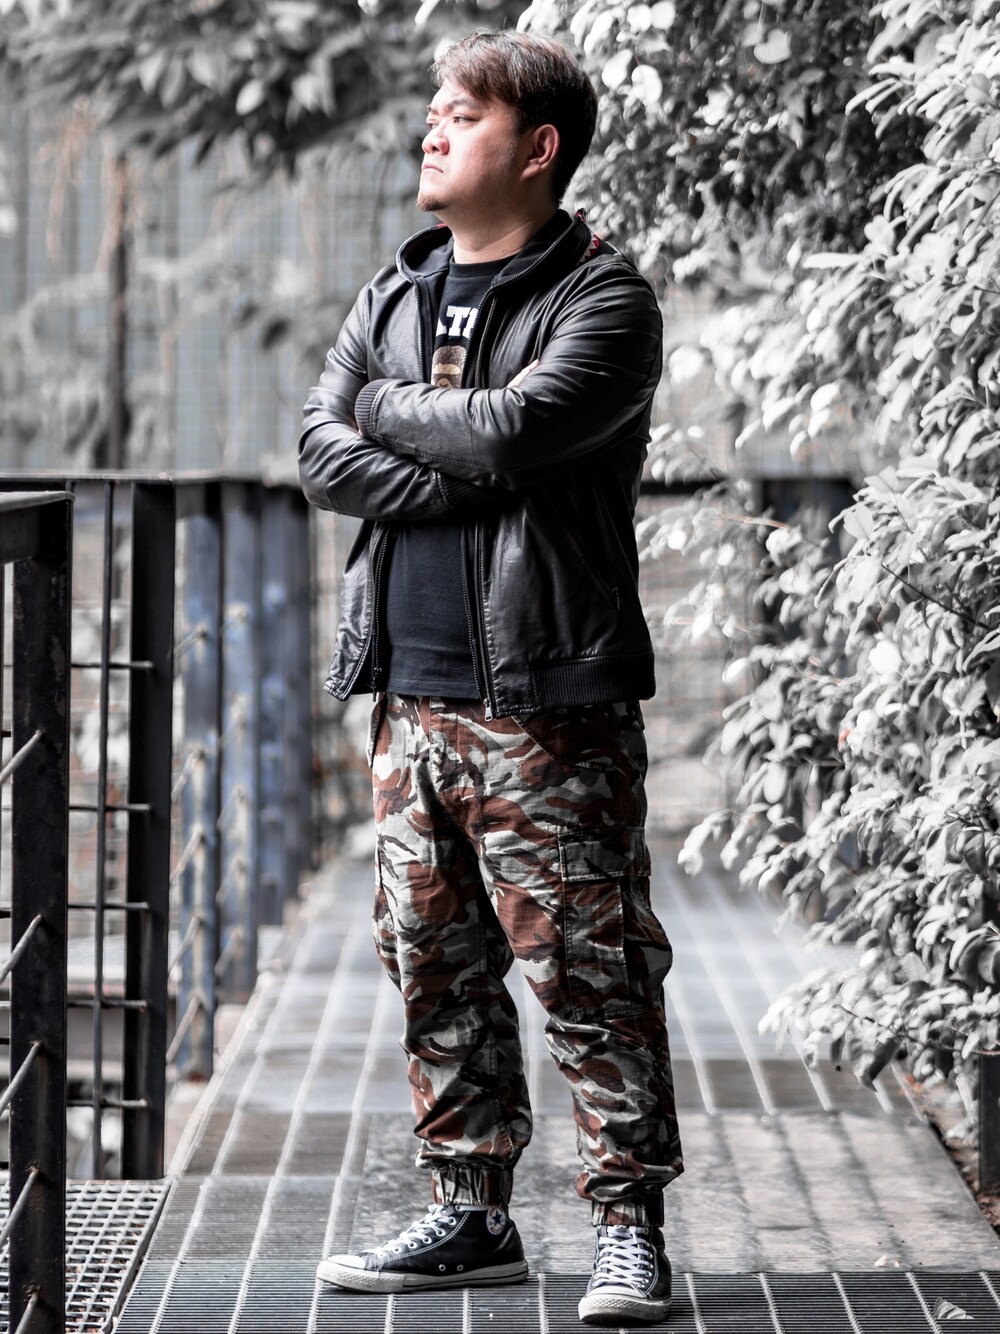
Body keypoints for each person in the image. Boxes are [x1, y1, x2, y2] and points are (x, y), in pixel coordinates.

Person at [298, 29, 682, 1327]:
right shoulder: (393, 293)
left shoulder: (603, 297)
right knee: (435, 966)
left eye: (463, 113)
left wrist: (388, 414)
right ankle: (471, 1213)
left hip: (548, 700)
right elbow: (320, 451)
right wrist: (458, 461)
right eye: (436, 108)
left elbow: (518, 432)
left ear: (537, 147)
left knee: (589, 968)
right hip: (409, 700)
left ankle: (629, 1229)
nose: (433, 127)